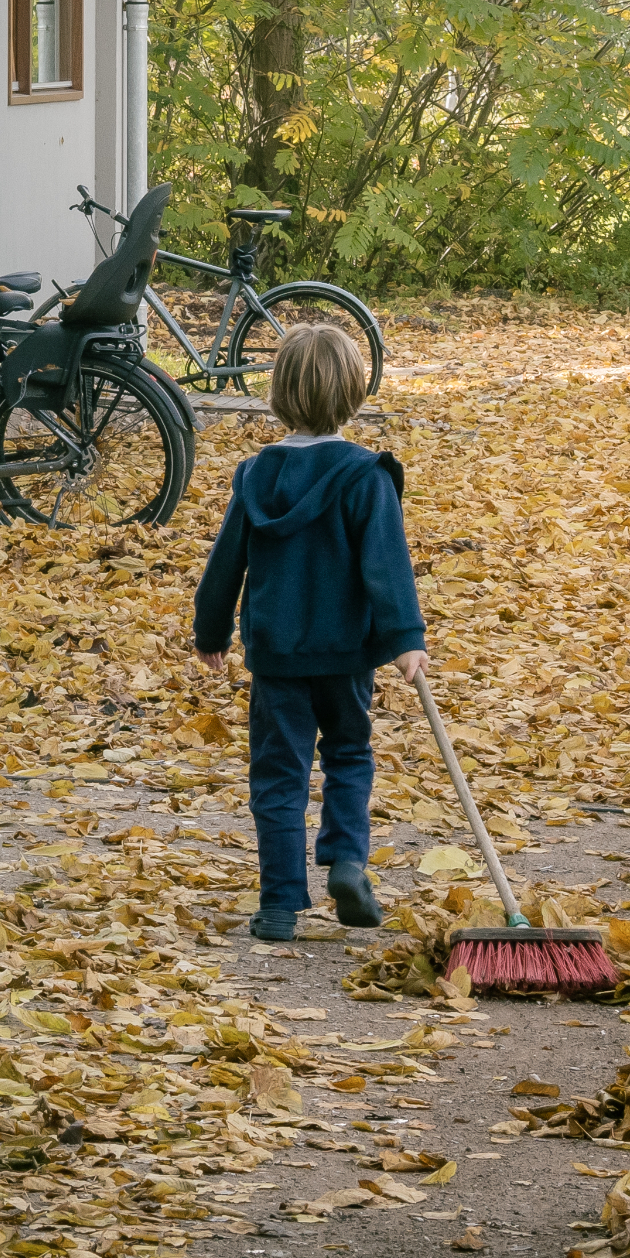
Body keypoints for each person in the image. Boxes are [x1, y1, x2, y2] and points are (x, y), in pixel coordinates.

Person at [191, 323, 419, 942]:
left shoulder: (256, 477)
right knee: (348, 754)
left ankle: (279, 903)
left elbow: (225, 563)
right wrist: (405, 638)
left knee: (278, 774)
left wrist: (211, 629)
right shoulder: (364, 476)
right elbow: (385, 563)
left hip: (277, 655)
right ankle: (347, 860)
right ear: (354, 391)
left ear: (279, 391)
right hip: (346, 655)